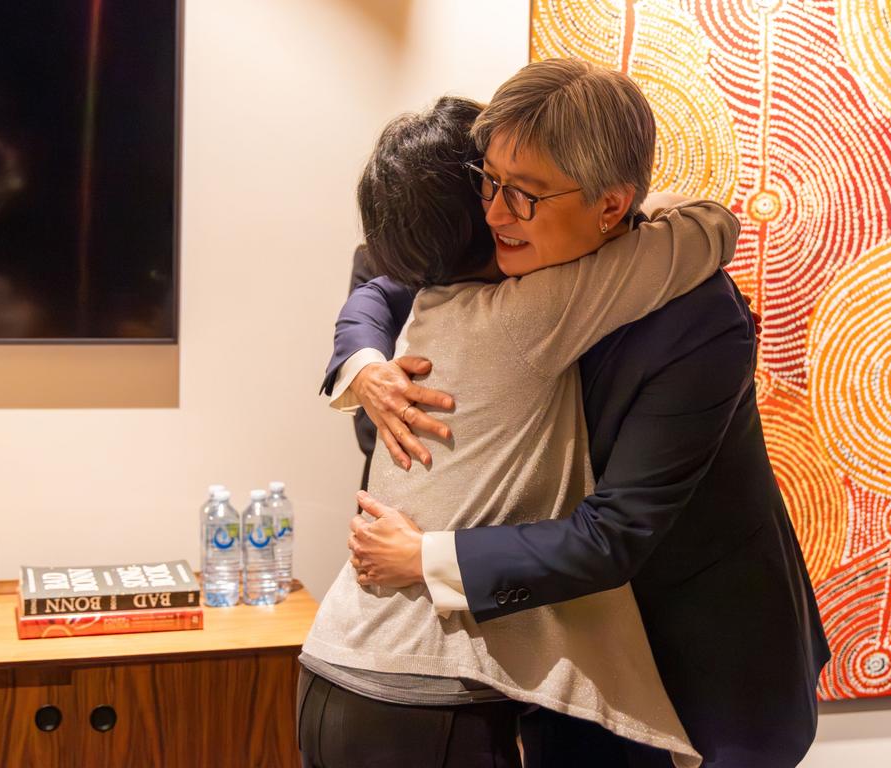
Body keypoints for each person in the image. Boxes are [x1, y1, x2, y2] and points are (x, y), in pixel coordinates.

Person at [329, 59, 831, 768]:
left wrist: (427, 558)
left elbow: (618, 532)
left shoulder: (694, 316)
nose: (495, 214)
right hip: (565, 654)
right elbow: (377, 280)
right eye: (489, 185)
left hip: (701, 659)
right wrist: (366, 367)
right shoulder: (499, 260)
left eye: (524, 195)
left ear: (610, 204)